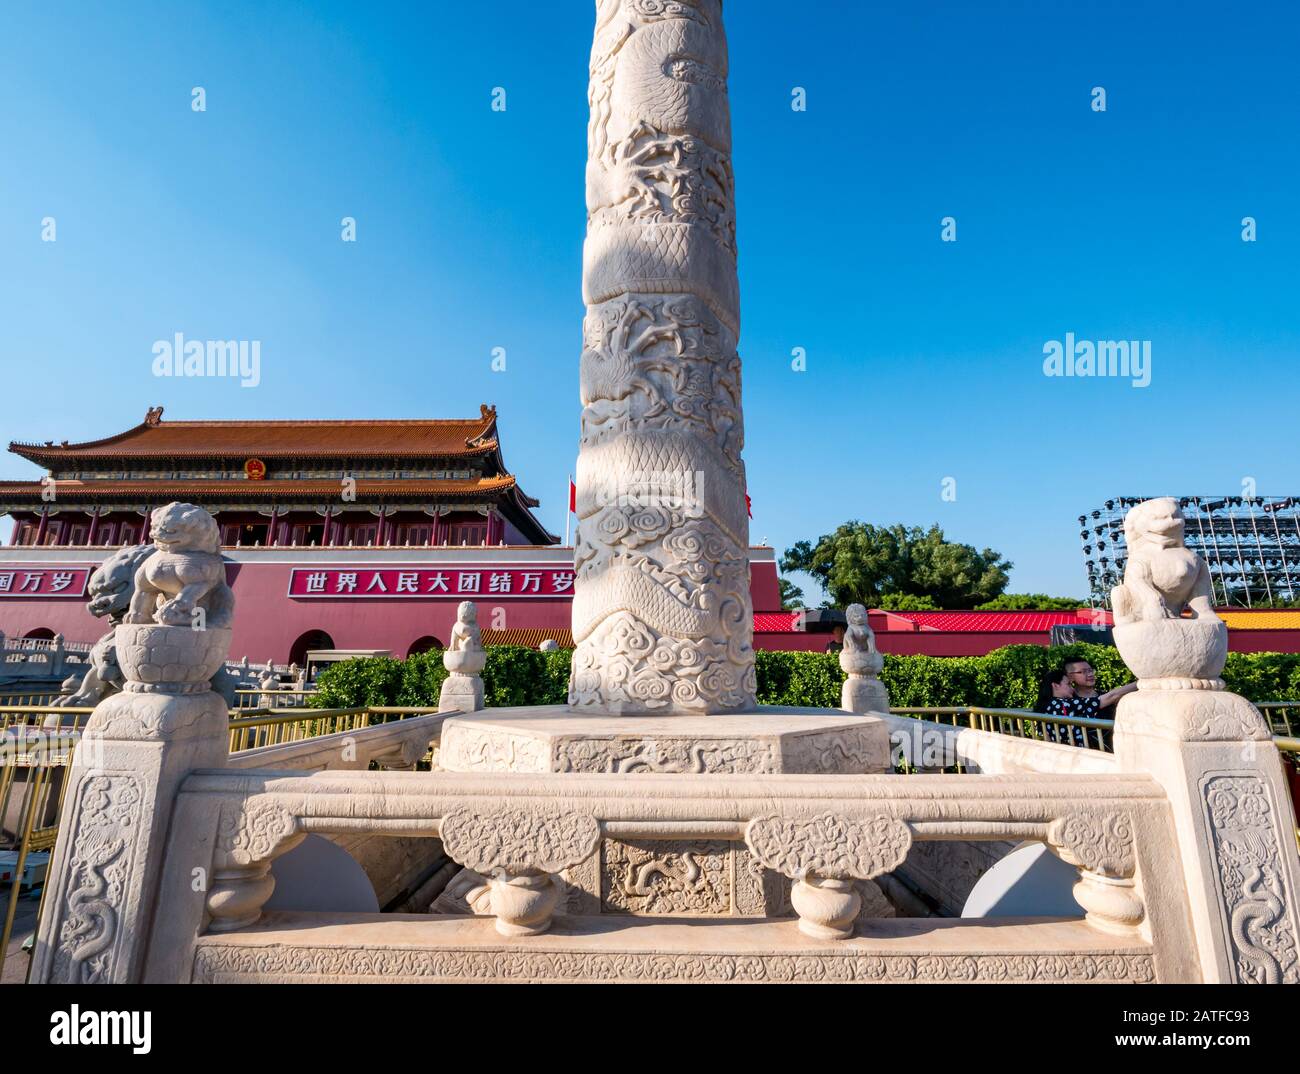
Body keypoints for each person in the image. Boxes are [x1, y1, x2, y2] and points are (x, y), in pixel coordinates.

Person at [1062, 657, 1137, 722]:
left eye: (1090, 670)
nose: (1090, 674)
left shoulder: (1104, 695)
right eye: (1083, 672)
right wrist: (1141, 683)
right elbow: (1112, 695)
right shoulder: (1068, 701)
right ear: (1070, 677)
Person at [1035, 669, 1080, 745]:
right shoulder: (1064, 704)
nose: (1072, 688)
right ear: (1055, 685)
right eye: (1068, 684)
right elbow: (1098, 701)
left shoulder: (1044, 705)